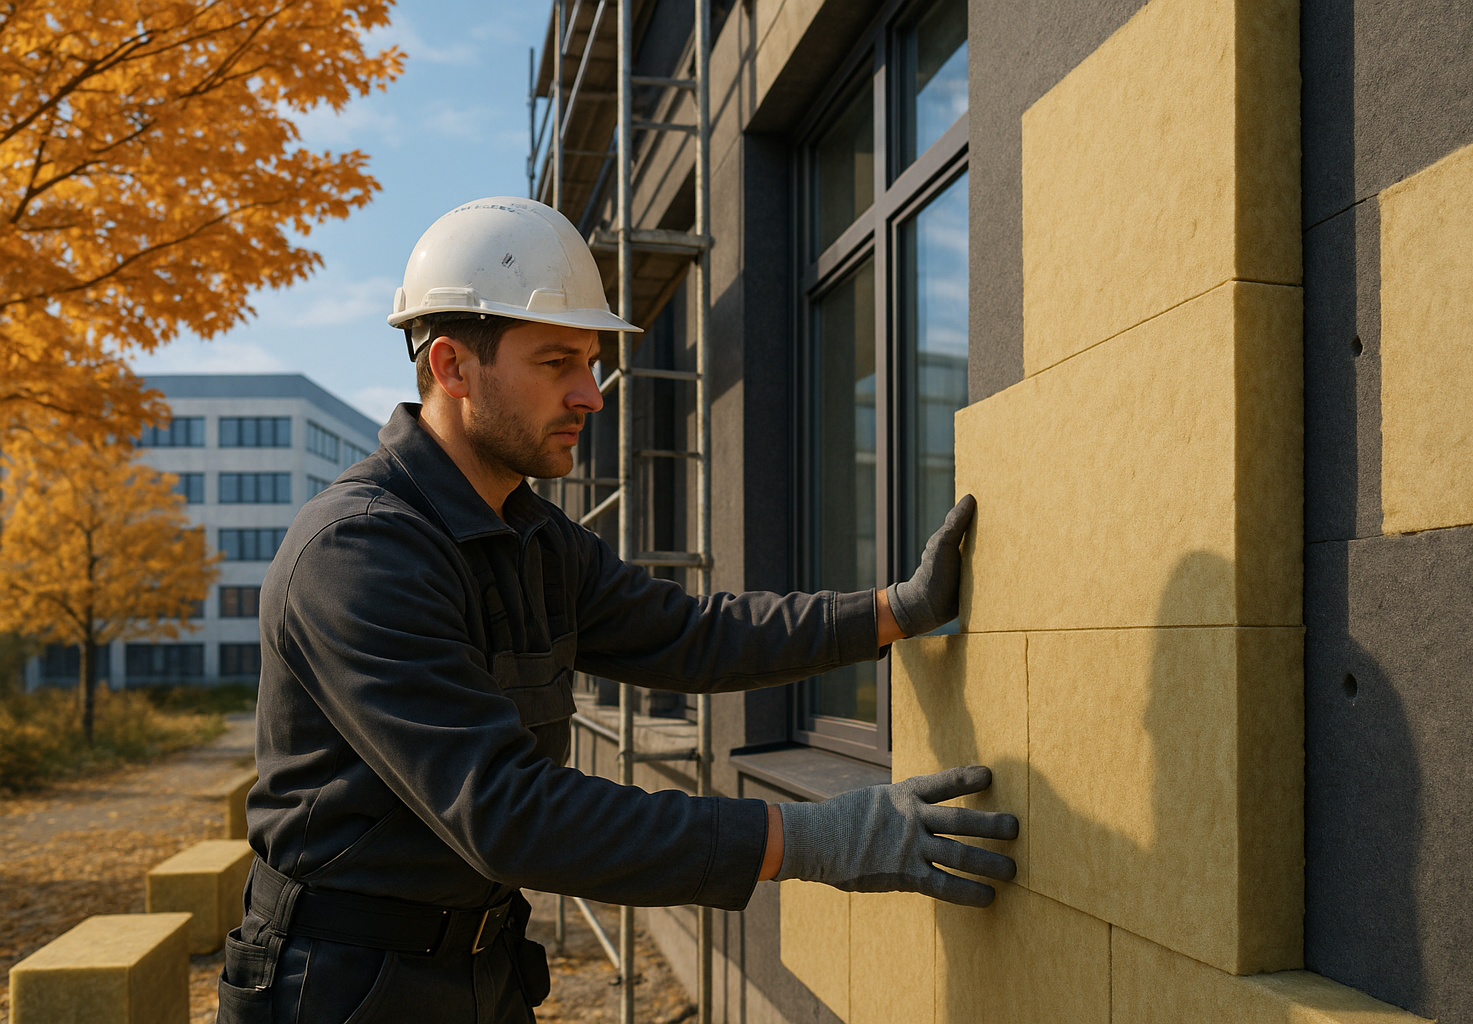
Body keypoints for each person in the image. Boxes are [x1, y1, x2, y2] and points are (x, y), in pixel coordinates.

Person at [217, 197, 1018, 1024]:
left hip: (478, 968)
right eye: (558, 361)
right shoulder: (358, 555)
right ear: (453, 368)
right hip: (339, 986)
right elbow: (511, 812)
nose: (591, 395)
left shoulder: (528, 534)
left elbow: (690, 636)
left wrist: (896, 610)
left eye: (591, 362)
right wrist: (811, 840)